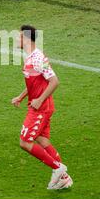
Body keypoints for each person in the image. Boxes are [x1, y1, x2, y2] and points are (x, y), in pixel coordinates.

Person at [11, 25, 72, 190]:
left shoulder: (37, 58)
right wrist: (21, 97)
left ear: (25, 38)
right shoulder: (30, 57)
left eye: (18, 37)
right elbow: (35, 82)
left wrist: (39, 99)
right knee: (42, 140)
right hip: (39, 105)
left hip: (40, 108)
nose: (16, 39)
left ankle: (58, 168)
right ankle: (64, 178)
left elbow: (54, 81)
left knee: (24, 142)